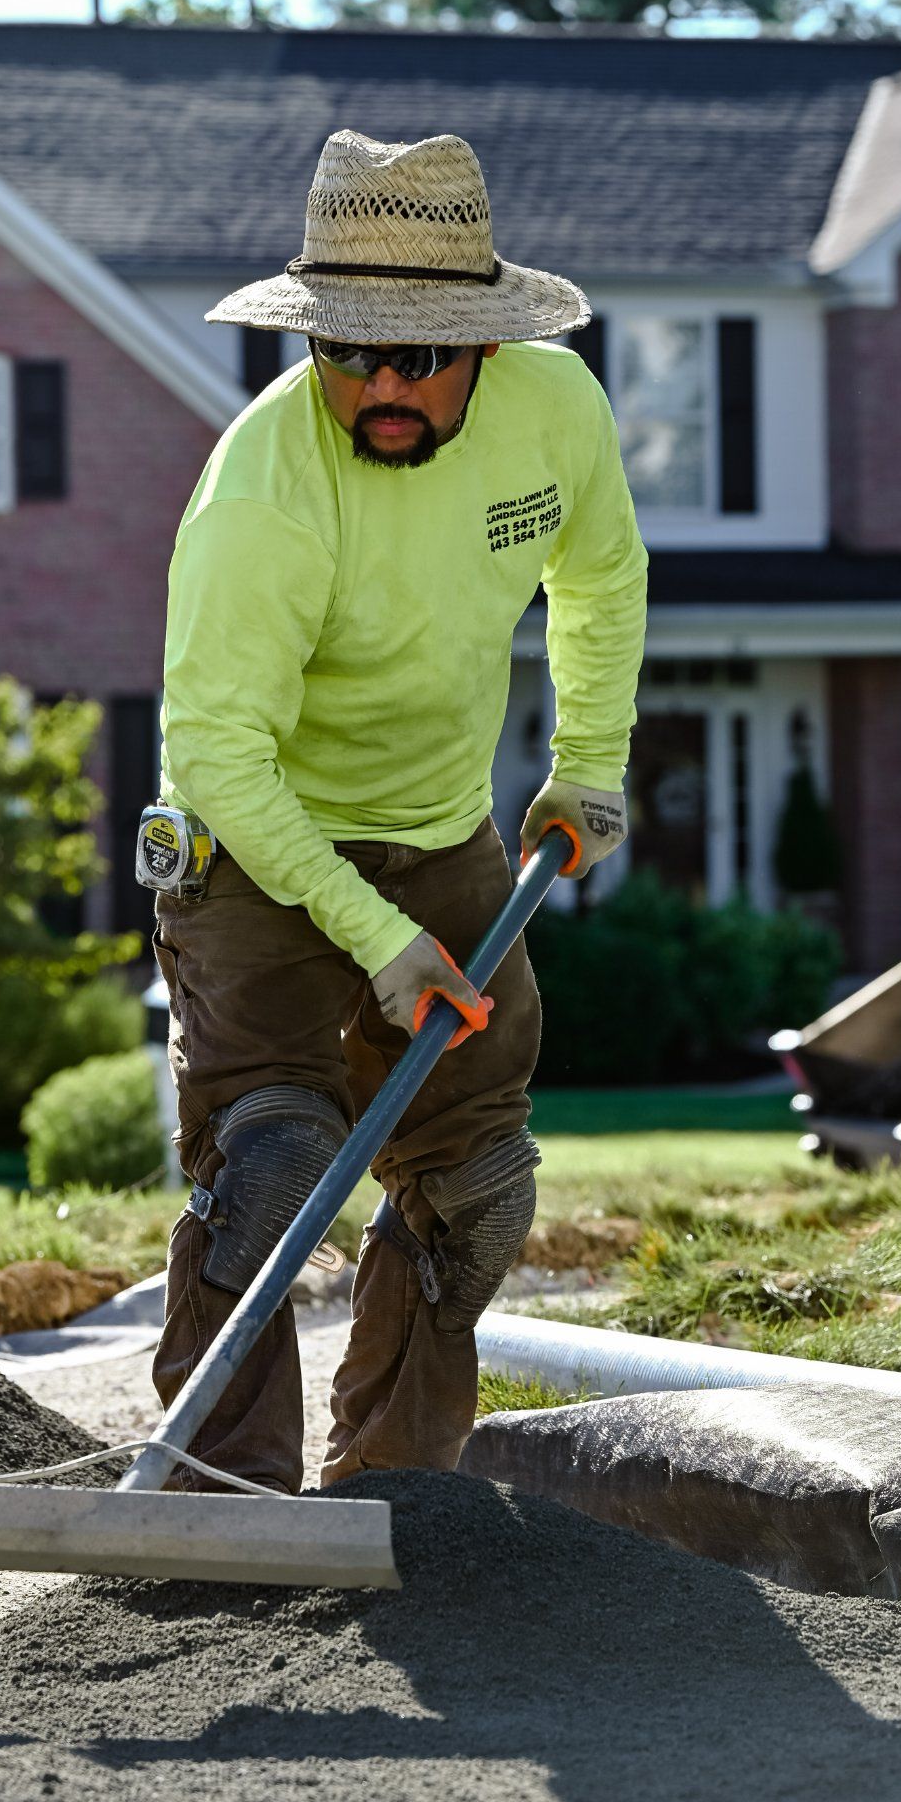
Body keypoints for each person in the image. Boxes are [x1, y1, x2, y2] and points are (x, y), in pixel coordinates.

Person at [150, 128, 647, 1492]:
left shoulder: (559, 415)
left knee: (477, 1192)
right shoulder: (268, 496)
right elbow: (217, 755)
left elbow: (598, 581)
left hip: (441, 835)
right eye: (345, 350)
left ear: (484, 347)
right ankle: (217, 1510)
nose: (377, 384)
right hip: (256, 850)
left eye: (415, 358)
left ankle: (395, 1491)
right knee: (272, 1172)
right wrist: (375, 940)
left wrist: (588, 763)